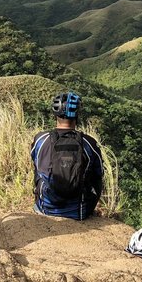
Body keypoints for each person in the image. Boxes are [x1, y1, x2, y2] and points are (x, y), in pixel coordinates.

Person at [30, 91, 104, 220]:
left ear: (55, 114)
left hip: (45, 209)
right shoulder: (89, 143)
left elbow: (36, 164)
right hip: (79, 212)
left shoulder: (40, 140)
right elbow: (99, 174)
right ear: (77, 115)